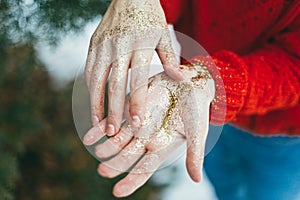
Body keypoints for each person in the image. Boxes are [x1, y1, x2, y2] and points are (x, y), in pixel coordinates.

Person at [84, 0, 300, 199]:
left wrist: (215, 81)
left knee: (267, 193)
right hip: (201, 113)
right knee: (222, 182)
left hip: (282, 137)